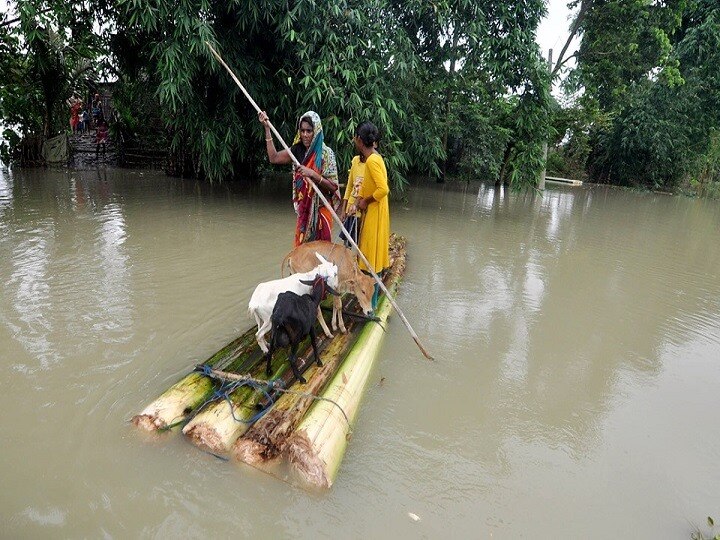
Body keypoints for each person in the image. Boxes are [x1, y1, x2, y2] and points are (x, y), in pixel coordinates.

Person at [258, 110, 340, 246]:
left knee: (322, 254)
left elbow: (333, 187)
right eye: (302, 131)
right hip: (305, 212)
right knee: (302, 253)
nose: (305, 135)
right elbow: (274, 157)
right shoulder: (297, 151)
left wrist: (314, 175)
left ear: (317, 131)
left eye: (309, 131)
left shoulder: (326, 154)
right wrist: (267, 129)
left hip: (322, 210)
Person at [351, 121, 390, 310]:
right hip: (376, 213)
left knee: (369, 260)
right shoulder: (376, 157)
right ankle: (370, 302)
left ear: (359, 140)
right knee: (370, 258)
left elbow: (383, 189)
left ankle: (371, 304)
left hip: (374, 214)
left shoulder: (373, 160)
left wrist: (365, 201)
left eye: (355, 137)